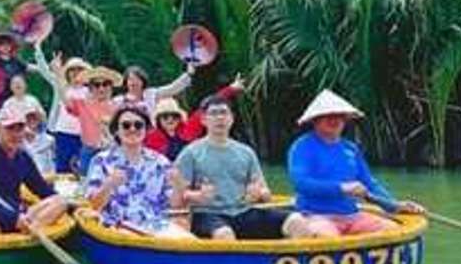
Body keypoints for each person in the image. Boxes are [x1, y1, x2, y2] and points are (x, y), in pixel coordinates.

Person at [284, 90, 425, 237]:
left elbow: (369, 183)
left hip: (352, 215)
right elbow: (301, 183)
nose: (334, 120)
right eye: (327, 116)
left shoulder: (350, 148)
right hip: (316, 215)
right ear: (315, 120)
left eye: (339, 115)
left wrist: (395, 205)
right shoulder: (302, 147)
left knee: (392, 229)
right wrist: (342, 188)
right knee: (327, 237)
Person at [174, 94, 294, 240]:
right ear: (204, 120)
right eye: (214, 113)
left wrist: (258, 194)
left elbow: (265, 193)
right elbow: (177, 198)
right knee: (224, 234)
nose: (220, 118)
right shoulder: (190, 153)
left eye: (224, 112)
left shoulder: (246, 152)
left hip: (243, 211)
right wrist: (198, 196)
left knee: (296, 221)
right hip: (207, 214)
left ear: (231, 118)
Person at [85, 104, 194, 239]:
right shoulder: (101, 160)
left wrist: (178, 186)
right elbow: (92, 206)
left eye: (138, 125)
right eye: (126, 125)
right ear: (116, 131)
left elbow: (174, 205)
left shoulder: (160, 162)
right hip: (116, 228)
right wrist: (108, 185)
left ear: (146, 130)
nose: (132, 129)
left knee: (186, 239)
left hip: (156, 226)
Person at [0, 104, 68, 236]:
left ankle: (30, 230)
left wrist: (72, 207)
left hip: (16, 214)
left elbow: (42, 189)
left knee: (61, 202)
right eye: (10, 129)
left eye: (20, 129)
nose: (16, 134)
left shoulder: (22, 157)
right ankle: (25, 230)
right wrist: (13, 219)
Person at [146, 76, 245, 159]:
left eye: (174, 116)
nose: (170, 119)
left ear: (179, 117)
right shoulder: (151, 137)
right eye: (165, 116)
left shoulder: (188, 128)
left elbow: (209, 105)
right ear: (159, 119)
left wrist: (231, 89)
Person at [32, 51, 89, 176]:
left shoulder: (90, 91)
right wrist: (38, 51)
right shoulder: (62, 87)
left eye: (79, 70)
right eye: (72, 70)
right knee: (62, 169)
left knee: (81, 169)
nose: (76, 73)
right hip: (64, 133)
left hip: (83, 136)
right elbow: (44, 71)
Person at [65, 66, 123, 176]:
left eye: (105, 84)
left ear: (111, 87)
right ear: (91, 88)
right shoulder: (83, 104)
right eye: (97, 85)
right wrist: (58, 75)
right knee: (85, 181)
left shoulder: (119, 107)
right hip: (89, 150)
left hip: (112, 150)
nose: (101, 88)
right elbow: (65, 99)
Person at [117, 62, 197, 116]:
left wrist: (188, 74)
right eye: (130, 79)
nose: (134, 82)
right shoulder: (118, 100)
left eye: (137, 79)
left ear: (143, 81)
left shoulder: (151, 94)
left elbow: (172, 88)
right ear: (126, 82)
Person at [22, 109, 56, 176]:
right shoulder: (18, 140)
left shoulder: (49, 140)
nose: (31, 121)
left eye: (34, 119)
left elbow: (52, 161)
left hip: (44, 176)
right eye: (28, 119)